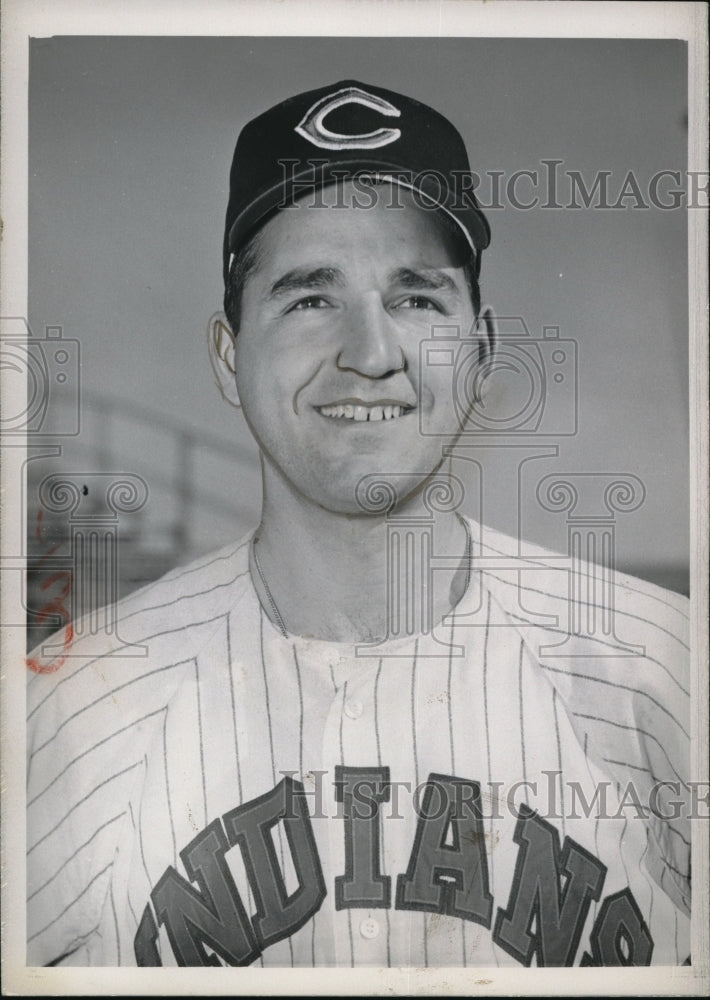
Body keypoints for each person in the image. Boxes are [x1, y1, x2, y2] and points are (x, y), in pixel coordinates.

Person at [26, 79, 691, 968]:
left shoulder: (667, 677)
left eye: (418, 298)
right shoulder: (76, 711)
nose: (371, 354)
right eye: (309, 297)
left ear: (482, 350)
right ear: (229, 354)